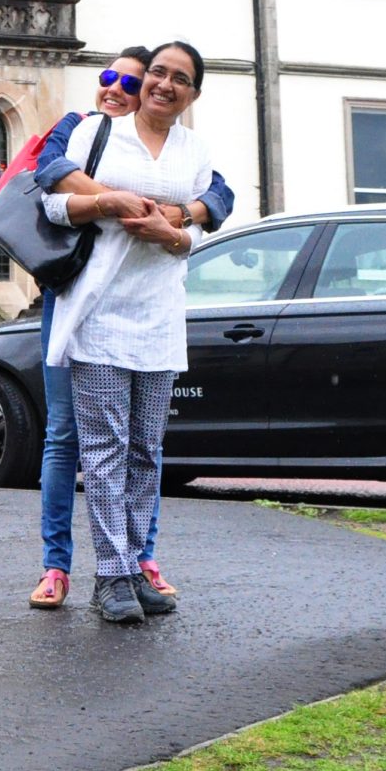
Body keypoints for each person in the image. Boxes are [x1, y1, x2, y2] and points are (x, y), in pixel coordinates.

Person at [29, 49, 233, 611]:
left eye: (181, 79)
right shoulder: (96, 131)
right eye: (159, 74)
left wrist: (174, 231)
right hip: (97, 312)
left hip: (160, 317)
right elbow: (51, 205)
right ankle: (111, 577)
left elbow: (206, 223)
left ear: (193, 93)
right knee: (101, 447)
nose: (165, 84)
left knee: (146, 448)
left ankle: (137, 569)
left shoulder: (196, 152)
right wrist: (105, 201)